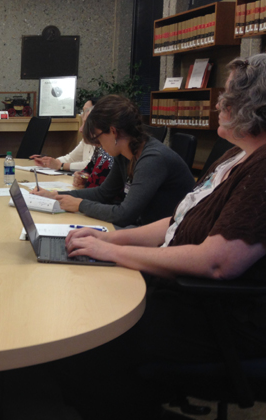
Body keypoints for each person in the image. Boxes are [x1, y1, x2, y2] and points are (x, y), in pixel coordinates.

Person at [52, 54, 266, 420]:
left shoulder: (261, 169)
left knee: (86, 342)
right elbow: (180, 220)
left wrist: (112, 253)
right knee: (79, 308)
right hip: (180, 293)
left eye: (227, 95)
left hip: (216, 317)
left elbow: (216, 262)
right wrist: (109, 241)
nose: (218, 103)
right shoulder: (236, 157)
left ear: (252, 105)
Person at [32, 95, 195, 227]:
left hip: (163, 237)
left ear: (113, 132)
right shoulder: (125, 154)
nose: (99, 146)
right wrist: (55, 195)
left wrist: (79, 204)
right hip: (142, 227)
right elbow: (103, 193)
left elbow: (124, 215)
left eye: (98, 139)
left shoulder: (153, 159)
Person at [31, 98, 113, 188]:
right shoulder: (100, 149)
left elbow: (102, 193)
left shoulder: (109, 155)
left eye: (86, 123)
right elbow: (77, 162)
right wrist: (50, 162)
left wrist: (61, 166)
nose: (81, 129)